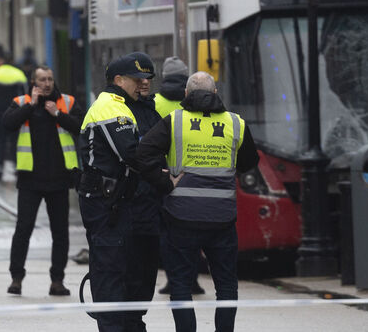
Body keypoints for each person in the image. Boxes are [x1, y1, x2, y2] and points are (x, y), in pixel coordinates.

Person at [134, 71, 258, 332]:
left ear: (186, 95)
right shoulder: (236, 123)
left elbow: (143, 153)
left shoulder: (174, 121)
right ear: (215, 93)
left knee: (180, 285)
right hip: (222, 219)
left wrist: (164, 181)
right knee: (226, 286)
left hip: (181, 218)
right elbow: (249, 163)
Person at [78, 54, 164, 332]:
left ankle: (131, 324)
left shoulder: (138, 108)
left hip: (129, 203)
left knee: (135, 270)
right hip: (108, 203)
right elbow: (132, 153)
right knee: (111, 270)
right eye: (136, 79)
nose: (143, 84)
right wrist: (166, 181)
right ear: (119, 80)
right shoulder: (110, 107)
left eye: (147, 79)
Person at [1, 65, 82, 297]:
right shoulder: (22, 101)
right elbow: (7, 124)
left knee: (60, 232)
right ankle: (16, 278)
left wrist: (58, 115)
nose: (47, 83)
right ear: (34, 82)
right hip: (30, 179)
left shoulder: (66, 101)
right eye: (42, 80)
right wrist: (30, 106)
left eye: (50, 79)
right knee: (23, 229)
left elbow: (81, 127)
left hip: (59, 179)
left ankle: (57, 280)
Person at [151, 57, 206, 297]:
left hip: (165, 175)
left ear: (163, 76)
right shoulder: (195, 103)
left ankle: (174, 279)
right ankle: (192, 278)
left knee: (167, 232)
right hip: (193, 173)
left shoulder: (154, 103)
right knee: (192, 230)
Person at [0, 49, 29, 182]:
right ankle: (18, 169)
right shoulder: (19, 75)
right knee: (16, 142)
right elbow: (26, 95)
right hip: (16, 114)